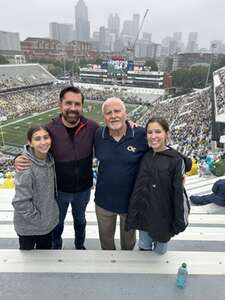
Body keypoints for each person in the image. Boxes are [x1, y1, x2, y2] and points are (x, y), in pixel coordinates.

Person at [15, 86, 99, 250]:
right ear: (60, 105)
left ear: (82, 106)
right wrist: (17, 158)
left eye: (77, 104)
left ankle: (79, 245)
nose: (73, 108)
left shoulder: (93, 127)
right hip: (57, 191)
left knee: (80, 221)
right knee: (57, 223)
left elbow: (112, 135)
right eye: (68, 103)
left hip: (83, 190)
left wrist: (128, 123)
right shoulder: (49, 129)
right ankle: (56, 248)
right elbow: (35, 146)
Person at [125, 116, 189, 255]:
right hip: (143, 218)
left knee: (159, 256)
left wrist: (179, 222)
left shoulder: (176, 161)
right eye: (149, 132)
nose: (153, 136)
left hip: (163, 221)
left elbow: (178, 195)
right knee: (144, 252)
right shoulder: (145, 154)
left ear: (167, 133)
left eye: (158, 132)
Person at [94, 97, 148, 250]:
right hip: (104, 202)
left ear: (126, 113)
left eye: (117, 111)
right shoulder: (98, 134)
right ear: (104, 117)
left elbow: (163, 150)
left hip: (130, 203)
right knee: (106, 243)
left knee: (129, 244)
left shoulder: (141, 134)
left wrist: (181, 168)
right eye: (108, 113)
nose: (113, 115)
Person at [12, 125, 59, 250]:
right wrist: (40, 220)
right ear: (30, 143)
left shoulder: (49, 158)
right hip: (30, 229)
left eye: (46, 137)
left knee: (45, 260)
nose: (43, 142)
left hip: (47, 225)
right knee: (29, 264)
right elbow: (20, 202)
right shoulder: (25, 166)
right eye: (37, 139)